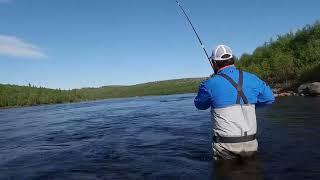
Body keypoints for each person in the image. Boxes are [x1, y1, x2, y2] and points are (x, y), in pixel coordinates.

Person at [194, 45, 275, 160]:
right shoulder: (253, 78)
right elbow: (269, 98)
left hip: (225, 147)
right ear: (233, 59)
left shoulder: (209, 84)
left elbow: (200, 105)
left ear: (214, 63)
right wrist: (249, 105)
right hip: (251, 144)